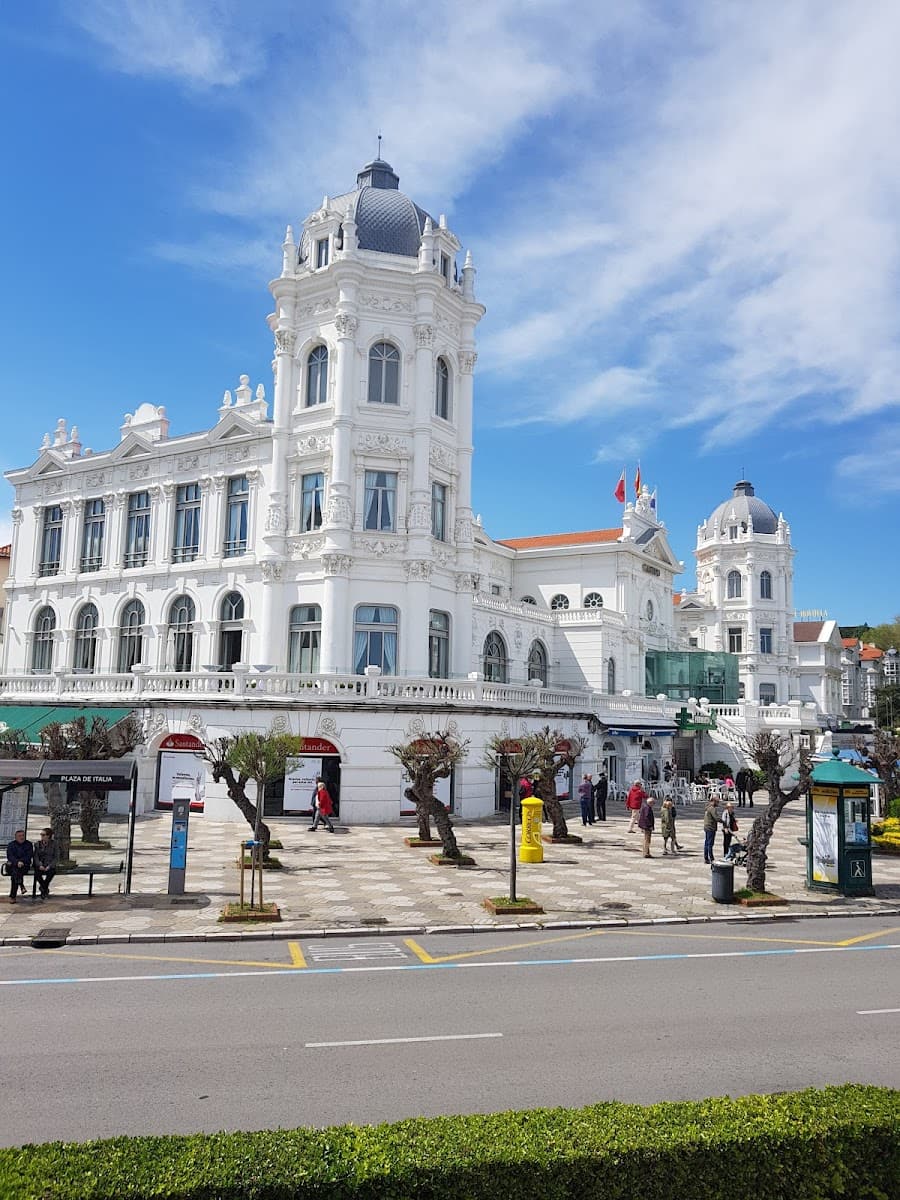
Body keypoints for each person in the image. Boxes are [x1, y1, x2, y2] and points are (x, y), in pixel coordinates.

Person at [6, 829, 33, 904]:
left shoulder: (28, 844)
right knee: (15, 870)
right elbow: (10, 856)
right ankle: (21, 885)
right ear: (16, 837)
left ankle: (13, 896)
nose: (22, 837)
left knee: (15, 873)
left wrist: (21, 862)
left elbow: (29, 856)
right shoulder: (11, 844)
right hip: (13, 865)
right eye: (19, 836)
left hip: (24, 865)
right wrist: (17, 862)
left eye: (23, 835)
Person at [33, 828, 59, 900]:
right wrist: (39, 865)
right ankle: (45, 889)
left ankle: (43, 888)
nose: (41, 836)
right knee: (37, 873)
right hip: (40, 865)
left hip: (49, 864)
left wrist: (49, 866)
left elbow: (56, 857)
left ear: (48, 836)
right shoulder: (37, 844)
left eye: (43, 835)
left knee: (51, 872)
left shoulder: (54, 844)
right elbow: (35, 857)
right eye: (41, 835)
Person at [702, 796, 720, 865]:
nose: (718, 803)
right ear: (713, 801)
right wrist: (723, 821)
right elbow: (716, 818)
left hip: (706, 827)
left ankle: (706, 858)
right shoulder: (712, 809)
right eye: (717, 802)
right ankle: (711, 858)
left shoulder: (708, 807)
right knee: (710, 844)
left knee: (706, 843)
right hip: (711, 827)